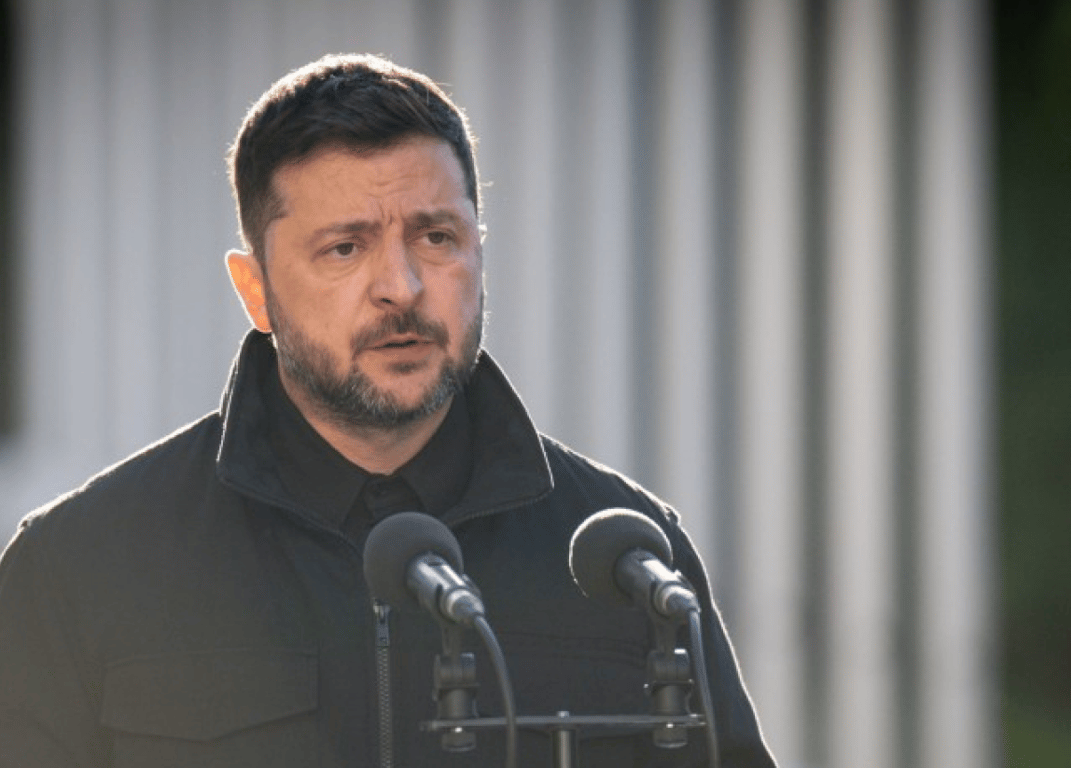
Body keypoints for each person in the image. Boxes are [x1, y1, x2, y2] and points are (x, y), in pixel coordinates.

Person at [0, 53, 775, 768]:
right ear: (255, 290)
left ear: (479, 252)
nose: (401, 287)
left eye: (436, 238)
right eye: (345, 248)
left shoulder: (627, 562)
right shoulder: (77, 567)